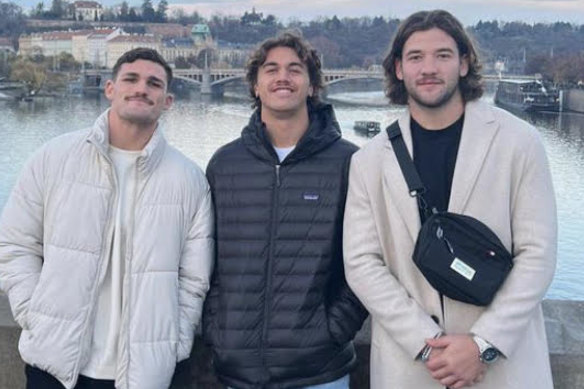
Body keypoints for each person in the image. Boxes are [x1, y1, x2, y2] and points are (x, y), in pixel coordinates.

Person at [343, 10, 556, 389]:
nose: (429, 68)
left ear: (464, 63)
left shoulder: (519, 141)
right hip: (413, 368)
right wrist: (429, 347)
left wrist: (482, 345)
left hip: (503, 368)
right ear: (397, 69)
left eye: (442, 55)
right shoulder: (368, 160)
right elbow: (361, 263)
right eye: (415, 57)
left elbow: (538, 255)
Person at [0, 48, 214, 389]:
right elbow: (15, 243)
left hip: (147, 373)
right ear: (110, 89)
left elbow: (194, 279)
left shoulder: (189, 180)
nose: (141, 88)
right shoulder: (53, 158)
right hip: (54, 366)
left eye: (153, 83)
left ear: (168, 101)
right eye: (131, 79)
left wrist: (176, 339)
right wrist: (33, 314)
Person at [203, 32, 368, 389]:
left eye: (295, 69)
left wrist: (332, 330)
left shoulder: (352, 163)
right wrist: (218, 328)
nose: (283, 77)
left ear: (311, 87)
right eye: (271, 69)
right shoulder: (224, 164)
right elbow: (206, 258)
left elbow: (370, 257)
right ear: (256, 86)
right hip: (237, 371)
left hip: (319, 371)